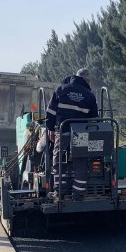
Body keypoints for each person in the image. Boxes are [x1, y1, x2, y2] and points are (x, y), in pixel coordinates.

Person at [45, 68, 98, 201]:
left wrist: (50, 128)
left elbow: (50, 113)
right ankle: (78, 194)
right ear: (86, 80)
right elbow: (94, 119)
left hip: (63, 130)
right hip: (81, 133)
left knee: (59, 158)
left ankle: (59, 192)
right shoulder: (90, 95)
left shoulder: (61, 89)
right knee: (81, 161)